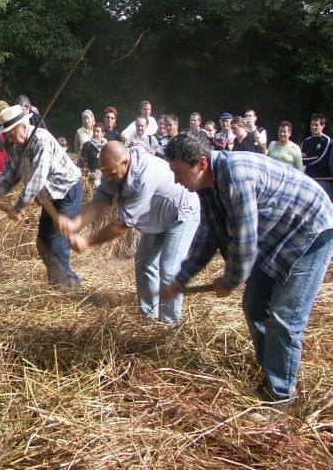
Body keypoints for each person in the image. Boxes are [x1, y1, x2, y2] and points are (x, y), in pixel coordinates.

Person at [162, 131, 333, 404]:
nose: (176, 180)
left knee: (284, 318)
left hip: (310, 229)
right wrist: (180, 279)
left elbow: (245, 241)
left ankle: (280, 396)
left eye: (179, 172)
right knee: (254, 305)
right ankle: (273, 375)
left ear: (202, 163)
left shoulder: (235, 175)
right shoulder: (208, 185)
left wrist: (230, 280)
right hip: (278, 234)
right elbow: (208, 235)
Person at [63, 142, 200, 323]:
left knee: (169, 269)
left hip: (182, 213)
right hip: (157, 217)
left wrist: (87, 241)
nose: (109, 179)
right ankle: (148, 318)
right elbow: (99, 202)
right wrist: (73, 224)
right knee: (144, 262)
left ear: (126, 163)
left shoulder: (145, 175)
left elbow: (122, 226)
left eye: (112, 174)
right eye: (105, 174)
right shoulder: (110, 170)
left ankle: (169, 327)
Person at [0, 104, 83, 288]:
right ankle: (57, 284)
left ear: (24, 127)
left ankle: (70, 288)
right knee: (43, 244)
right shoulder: (18, 145)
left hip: (67, 191)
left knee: (56, 246)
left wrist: (18, 207)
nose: (11, 139)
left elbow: (37, 181)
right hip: (50, 198)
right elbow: (12, 173)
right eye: (8, 135)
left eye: (12, 134)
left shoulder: (41, 139)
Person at [301, 113, 332, 199]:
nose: (313, 127)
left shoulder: (327, 141)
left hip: (323, 180)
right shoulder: (306, 142)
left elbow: (321, 160)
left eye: (316, 125)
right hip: (308, 179)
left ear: (323, 126)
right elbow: (300, 159)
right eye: (312, 124)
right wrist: (311, 157)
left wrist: (306, 158)